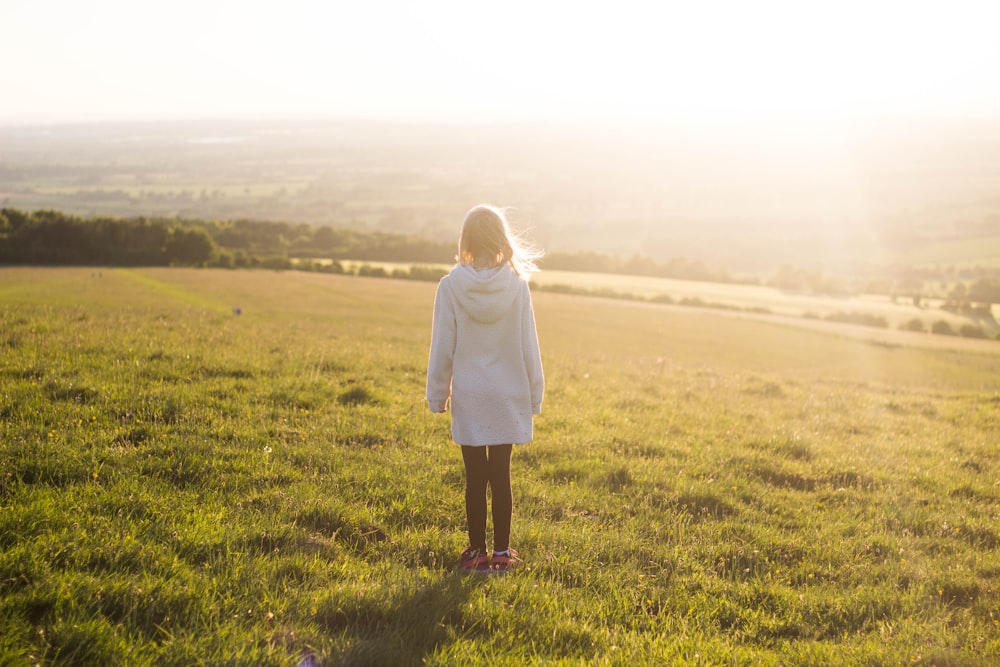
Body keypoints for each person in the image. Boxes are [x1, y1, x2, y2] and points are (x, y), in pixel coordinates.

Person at [426, 204, 545, 574]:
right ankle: (502, 554)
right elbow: (530, 346)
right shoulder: (517, 287)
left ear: (466, 241)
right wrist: (535, 394)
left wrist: (437, 394)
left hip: (471, 396)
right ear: (501, 241)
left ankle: (476, 552)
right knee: (502, 475)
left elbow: (442, 345)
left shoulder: (450, 286)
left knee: (475, 477)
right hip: (508, 395)